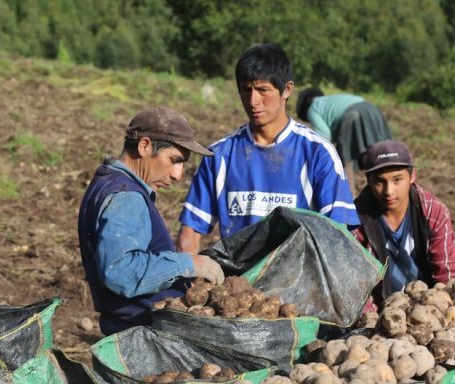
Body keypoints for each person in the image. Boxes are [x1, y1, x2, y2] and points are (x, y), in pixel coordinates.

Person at [177, 43, 359, 255]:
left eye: (263, 90)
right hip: (237, 282)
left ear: (287, 90)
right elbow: (189, 232)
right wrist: (189, 279)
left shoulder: (318, 153)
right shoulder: (218, 156)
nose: (253, 101)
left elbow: (338, 234)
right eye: (246, 90)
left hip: (297, 281)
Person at [78, 106, 225, 335]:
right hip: (141, 333)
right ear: (144, 146)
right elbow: (120, 271)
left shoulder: (108, 182)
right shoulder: (126, 197)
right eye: (174, 160)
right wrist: (188, 264)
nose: (177, 174)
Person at [353, 140, 455, 302]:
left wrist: (443, 310)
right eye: (379, 181)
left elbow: (446, 274)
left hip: (428, 306)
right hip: (382, 311)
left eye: (397, 179)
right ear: (368, 180)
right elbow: (357, 286)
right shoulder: (355, 220)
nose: (389, 191)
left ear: (412, 176)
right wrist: (372, 322)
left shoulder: (434, 211)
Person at [296, 87, 392, 192]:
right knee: (380, 155)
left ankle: (350, 197)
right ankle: (385, 188)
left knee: (345, 159)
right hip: (373, 110)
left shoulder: (312, 109)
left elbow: (324, 137)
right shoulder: (330, 101)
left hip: (353, 114)